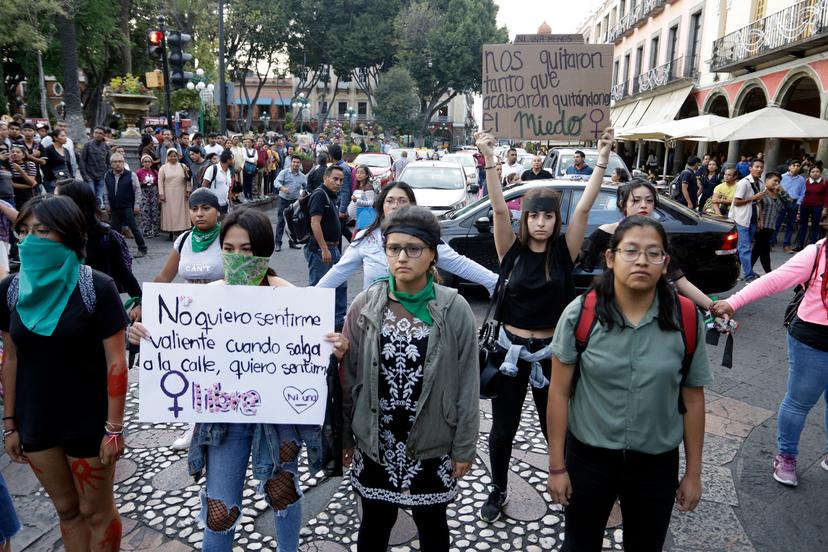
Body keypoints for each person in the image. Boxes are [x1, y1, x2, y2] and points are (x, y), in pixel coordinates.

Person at [128, 207, 347, 551]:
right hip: (223, 422)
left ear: (262, 250)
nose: (236, 257)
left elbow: (315, 347)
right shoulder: (203, 299)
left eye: (246, 249)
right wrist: (145, 335)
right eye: (228, 249)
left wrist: (335, 345)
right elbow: (172, 337)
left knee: (283, 495)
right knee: (219, 511)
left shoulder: (288, 296)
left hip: (278, 420)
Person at [548, 216, 710, 551]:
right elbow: (559, 392)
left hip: (656, 462)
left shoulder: (686, 317)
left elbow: (693, 401)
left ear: (665, 263)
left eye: (654, 253)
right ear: (610, 258)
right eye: (631, 251)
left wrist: (693, 474)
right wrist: (556, 466)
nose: (641, 261)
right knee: (579, 544)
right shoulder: (581, 314)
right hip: (590, 459)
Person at [475, 128, 612, 523]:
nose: (540, 222)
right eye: (533, 215)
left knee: (563, 432)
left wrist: (600, 158)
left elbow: (584, 210)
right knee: (502, 432)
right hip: (510, 356)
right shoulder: (511, 251)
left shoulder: (565, 252)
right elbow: (500, 209)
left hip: (555, 356)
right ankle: (498, 489)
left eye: (547, 216)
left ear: (555, 220)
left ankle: (569, 486)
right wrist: (489, 160)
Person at [341, 206, 479, 552]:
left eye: (413, 249)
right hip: (377, 439)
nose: (402, 257)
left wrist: (464, 445)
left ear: (432, 253)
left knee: (431, 522)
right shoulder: (365, 304)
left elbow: (467, 382)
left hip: (432, 438)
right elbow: (350, 376)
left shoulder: (453, 308)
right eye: (393, 248)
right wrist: (344, 435)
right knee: (375, 521)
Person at [1, 195, 129, 552]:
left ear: (68, 235)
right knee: (67, 510)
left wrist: (114, 429)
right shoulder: (11, 290)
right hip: (36, 420)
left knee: (96, 510)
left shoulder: (96, 288)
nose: (29, 240)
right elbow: (10, 358)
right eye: (23, 230)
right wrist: (11, 423)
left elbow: (116, 363)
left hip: (89, 421)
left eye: (42, 231)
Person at [712, 238, 828, 487]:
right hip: (813, 339)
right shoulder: (818, 252)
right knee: (800, 400)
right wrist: (733, 302)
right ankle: (786, 458)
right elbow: (775, 279)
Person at [318, 181, 498, 293]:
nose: (395, 206)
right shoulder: (367, 238)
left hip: (416, 320)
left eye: (402, 201)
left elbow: (459, 263)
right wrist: (307, 299)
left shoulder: (425, 238)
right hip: (372, 321)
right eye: (390, 201)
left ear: (412, 206)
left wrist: (496, 283)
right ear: (381, 205)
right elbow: (338, 272)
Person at [580, 179, 715, 310]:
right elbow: (575, 261)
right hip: (613, 307)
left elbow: (680, 280)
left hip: (653, 309)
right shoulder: (607, 232)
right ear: (623, 204)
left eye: (649, 200)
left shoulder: (658, 236)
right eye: (636, 200)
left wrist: (713, 307)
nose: (644, 205)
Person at [55, 179, 142, 304]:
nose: (51, 204)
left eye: (57, 199)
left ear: (74, 204)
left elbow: (123, 272)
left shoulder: (105, 236)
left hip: (96, 307)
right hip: (60, 307)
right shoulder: (52, 235)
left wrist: (140, 302)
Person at [306, 165, 347, 330]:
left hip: (333, 249)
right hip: (320, 250)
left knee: (340, 285)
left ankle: (338, 322)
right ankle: (316, 323)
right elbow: (314, 223)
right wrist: (324, 248)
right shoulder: (320, 195)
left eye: (341, 180)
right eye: (335, 179)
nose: (338, 183)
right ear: (325, 178)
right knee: (320, 288)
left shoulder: (331, 195)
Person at [103, 153, 146, 258]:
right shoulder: (107, 175)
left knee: (134, 228)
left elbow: (137, 191)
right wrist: (107, 205)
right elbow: (106, 192)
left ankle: (142, 248)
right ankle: (116, 250)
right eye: (115, 162)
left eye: (120, 162)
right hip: (114, 207)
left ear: (123, 163)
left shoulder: (131, 175)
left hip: (128, 206)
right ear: (111, 164)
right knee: (114, 230)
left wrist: (137, 205)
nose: (118, 164)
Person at [752, 172, 795, 274]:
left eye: (778, 181)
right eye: (774, 180)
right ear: (767, 180)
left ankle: (748, 270)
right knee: (763, 248)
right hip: (760, 225)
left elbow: (790, 203)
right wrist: (758, 221)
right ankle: (768, 272)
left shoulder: (779, 194)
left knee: (758, 248)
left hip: (771, 226)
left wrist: (782, 191)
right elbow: (756, 207)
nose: (776, 183)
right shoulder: (761, 192)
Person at [730, 158, 765, 282]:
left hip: (753, 218)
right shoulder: (743, 183)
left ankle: (734, 269)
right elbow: (737, 202)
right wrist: (753, 197)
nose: (759, 169)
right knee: (744, 247)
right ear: (750, 168)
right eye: (756, 167)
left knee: (744, 247)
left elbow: (760, 203)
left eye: (761, 167)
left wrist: (761, 220)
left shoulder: (760, 183)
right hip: (741, 218)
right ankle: (748, 274)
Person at [274, 155, 307, 252]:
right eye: (294, 162)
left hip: (295, 201)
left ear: (300, 164)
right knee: (281, 221)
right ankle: (278, 243)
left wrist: (302, 194)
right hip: (283, 200)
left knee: (293, 222)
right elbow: (276, 182)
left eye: (298, 162)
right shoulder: (284, 172)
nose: (296, 164)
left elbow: (306, 187)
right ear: (291, 163)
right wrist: (282, 188)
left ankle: (292, 242)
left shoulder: (302, 176)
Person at [772, 159, 806, 252]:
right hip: (782, 202)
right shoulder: (782, 177)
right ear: (789, 167)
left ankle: (786, 245)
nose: (796, 167)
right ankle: (771, 242)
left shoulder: (801, 179)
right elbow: (777, 189)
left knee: (790, 225)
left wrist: (798, 203)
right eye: (794, 165)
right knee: (777, 223)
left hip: (794, 203)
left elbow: (803, 192)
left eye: (798, 166)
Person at [158, 148, 191, 239]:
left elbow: (188, 179)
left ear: (177, 156)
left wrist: (188, 190)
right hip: (168, 193)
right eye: (171, 156)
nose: (173, 158)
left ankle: (181, 232)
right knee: (170, 213)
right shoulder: (163, 168)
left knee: (181, 212)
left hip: (181, 192)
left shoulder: (182, 166)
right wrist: (161, 194)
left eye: (175, 156)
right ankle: (171, 233)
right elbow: (160, 181)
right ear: (167, 157)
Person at [794, 165, 828, 251]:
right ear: (809, 173)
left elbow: (827, 197)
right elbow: (800, 194)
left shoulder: (824, 183)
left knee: (815, 226)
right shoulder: (805, 182)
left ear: (820, 173)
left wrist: (825, 208)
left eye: (817, 172)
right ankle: (800, 245)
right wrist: (798, 208)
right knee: (803, 226)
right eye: (813, 172)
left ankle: (813, 247)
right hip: (804, 206)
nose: (815, 173)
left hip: (818, 207)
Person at [81, 127, 111, 209]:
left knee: (99, 198)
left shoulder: (106, 147)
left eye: (100, 133)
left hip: (102, 176)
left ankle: (99, 216)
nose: (97, 135)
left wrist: (107, 174)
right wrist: (84, 175)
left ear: (104, 135)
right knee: (91, 196)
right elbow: (82, 160)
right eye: (96, 132)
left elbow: (109, 162)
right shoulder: (87, 145)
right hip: (89, 175)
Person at [200, 149, 234, 216]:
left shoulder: (229, 171)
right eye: (232, 159)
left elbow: (229, 188)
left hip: (225, 205)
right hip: (213, 205)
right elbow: (204, 187)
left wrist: (230, 201)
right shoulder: (212, 169)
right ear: (228, 160)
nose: (233, 161)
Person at [41, 129, 74, 194]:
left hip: (66, 180)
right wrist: (52, 179)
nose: (65, 138)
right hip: (53, 181)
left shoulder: (66, 150)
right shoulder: (48, 150)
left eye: (65, 136)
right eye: (62, 136)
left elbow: (69, 165)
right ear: (55, 137)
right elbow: (44, 166)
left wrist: (71, 177)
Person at [136, 154, 160, 238]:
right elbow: (136, 184)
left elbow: (158, 183)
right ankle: (146, 230)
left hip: (153, 192)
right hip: (144, 192)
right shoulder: (139, 172)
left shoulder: (155, 172)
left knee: (154, 211)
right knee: (145, 211)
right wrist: (142, 183)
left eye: (149, 161)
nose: (147, 163)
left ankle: (155, 230)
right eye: (145, 161)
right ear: (142, 162)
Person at [347, 165, 376, 234]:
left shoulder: (368, 186)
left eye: (362, 173)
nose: (359, 174)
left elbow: (371, 203)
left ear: (366, 175)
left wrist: (357, 200)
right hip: (357, 218)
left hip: (363, 218)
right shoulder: (358, 185)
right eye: (357, 172)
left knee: (358, 239)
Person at [240, 137, 258, 201]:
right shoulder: (244, 149)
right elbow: (245, 157)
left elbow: (256, 158)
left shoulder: (255, 150)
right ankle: (245, 196)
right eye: (247, 142)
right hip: (246, 168)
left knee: (250, 182)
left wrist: (251, 159)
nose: (248, 143)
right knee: (245, 182)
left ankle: (250, 195)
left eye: (249, 142)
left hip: (252, 168)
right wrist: (253, 161)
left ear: (252, 143)